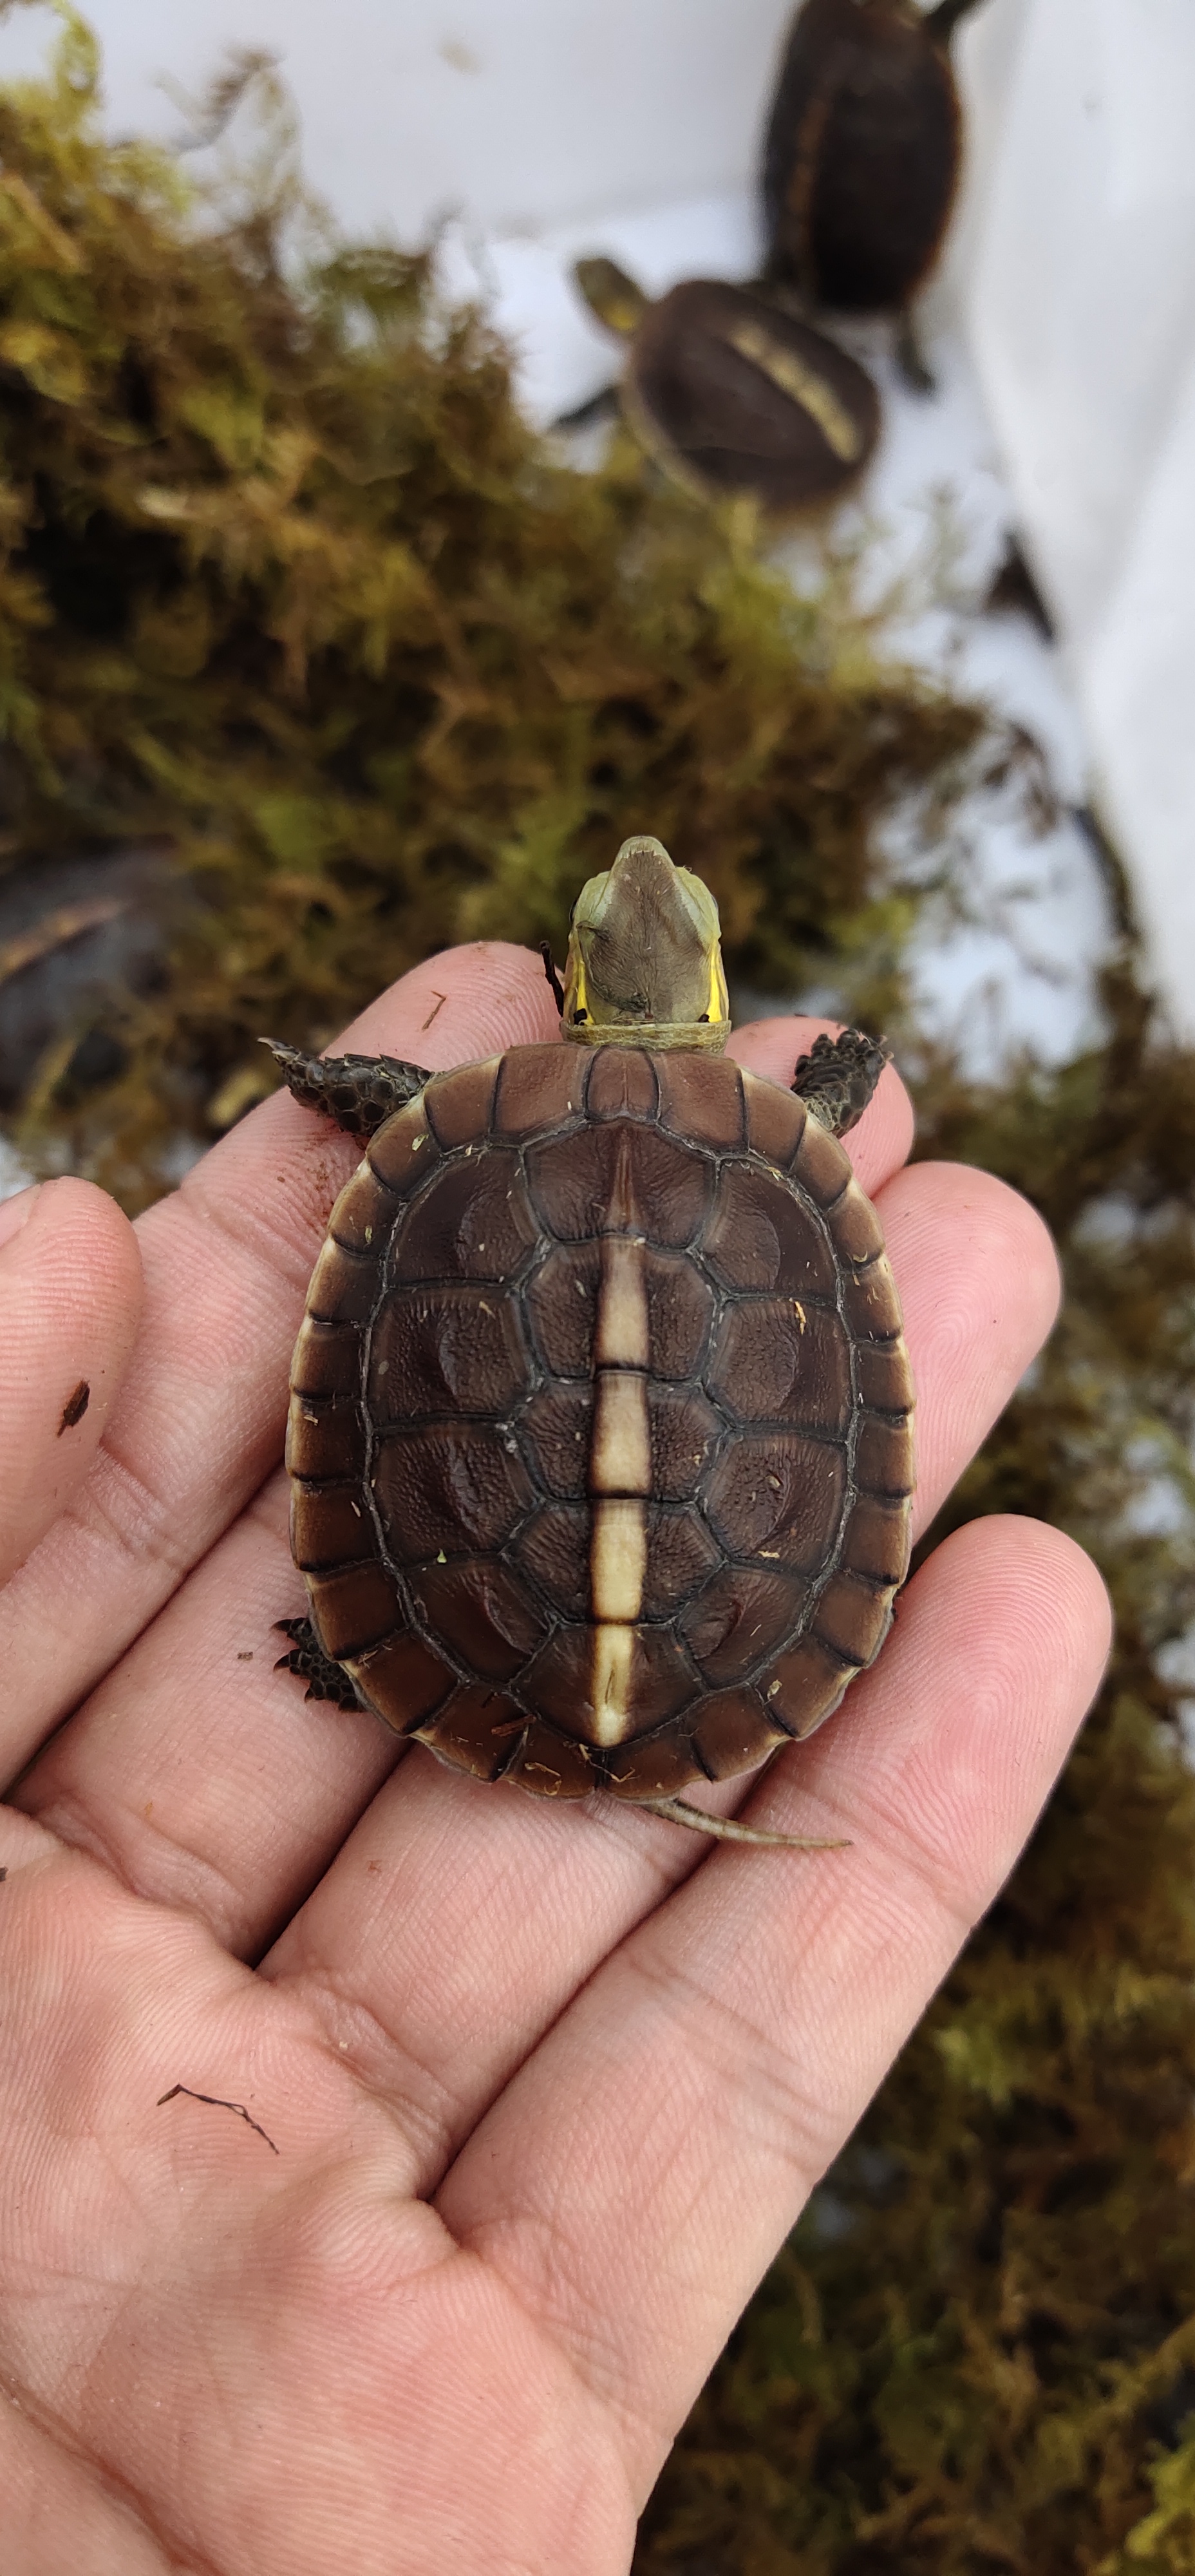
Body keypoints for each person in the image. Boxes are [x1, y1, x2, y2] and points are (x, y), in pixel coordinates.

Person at [0, 939, 1109, 2573]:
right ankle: (384, 1663)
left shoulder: (433, 1129)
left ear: (584, 975)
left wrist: (336, 1088)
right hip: (718, 1650)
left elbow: (380, 1153)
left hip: (440, 1640)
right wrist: (841, 1075)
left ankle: (354, 1658)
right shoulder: (771, 1138)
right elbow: (847, 1091)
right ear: (714, 994)